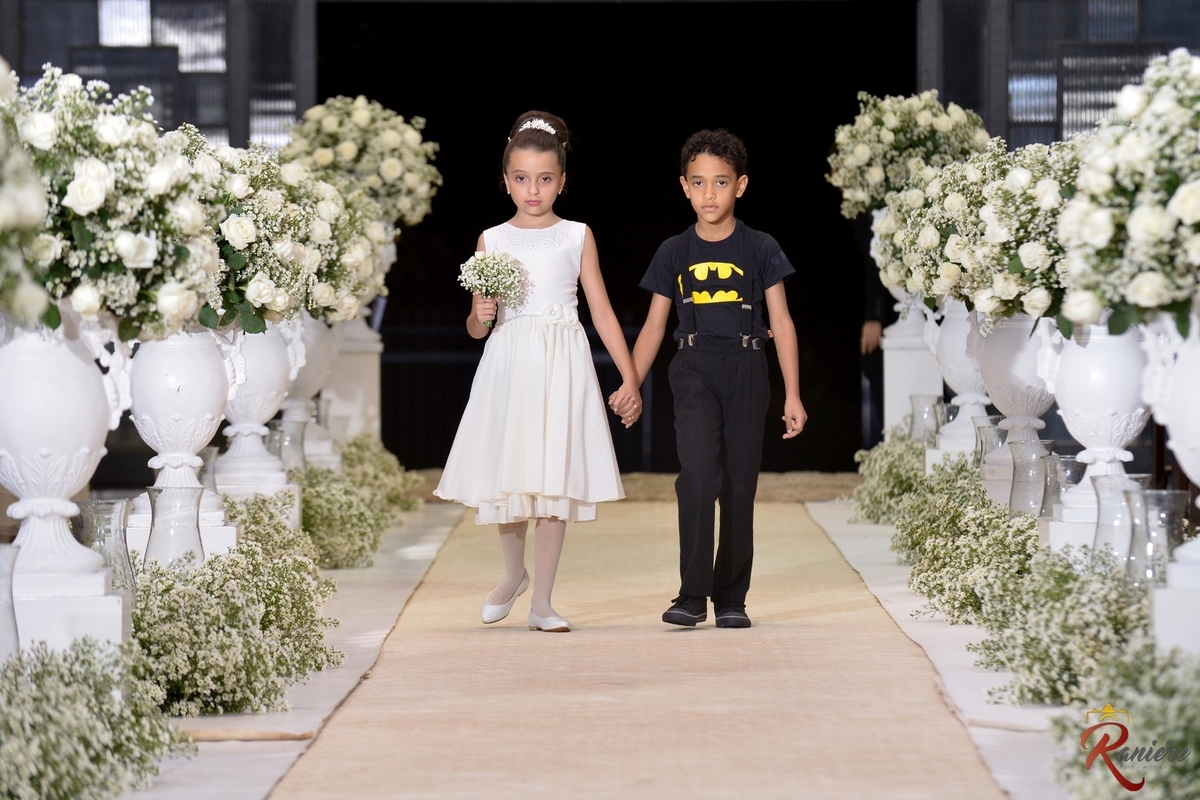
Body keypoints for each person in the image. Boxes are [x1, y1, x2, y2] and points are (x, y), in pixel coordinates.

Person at [433, 111, 642, 634]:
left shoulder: (576, 236)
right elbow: (477, 327)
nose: (533, 188)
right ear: (505, 181)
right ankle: (512, 575)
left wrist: (630, 376)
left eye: (544, 178)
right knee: (511, 478)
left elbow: (601, 310)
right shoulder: (492, 240)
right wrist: (479, 316)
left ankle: (543, 602)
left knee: (553, 481)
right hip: (509, 366)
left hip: (561, 363)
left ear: (562, 181)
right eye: (522, 178)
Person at [620, 128, 807, 629]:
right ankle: (690, 595)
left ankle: (731, 598)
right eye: (699, 183)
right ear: (684, 186)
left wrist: (793, 393)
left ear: (740, 186)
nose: (709, 195)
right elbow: (655, 325)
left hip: (747, 368)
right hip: (694, 368)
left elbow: (782, 323)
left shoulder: (761, 247)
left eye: (720, 183)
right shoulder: (673, 251)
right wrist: (631, 382)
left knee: (739, 485)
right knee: (699, 479)